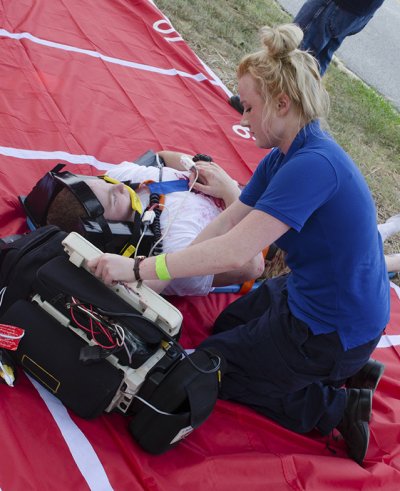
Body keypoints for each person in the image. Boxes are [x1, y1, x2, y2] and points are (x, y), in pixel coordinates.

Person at [87, 24, 390, 465]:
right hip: (318, 298)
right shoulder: (288, 156)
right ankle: (349, 369)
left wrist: (135, 271)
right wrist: (153, 280)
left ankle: (340, 406)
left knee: (215, 367)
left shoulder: (311, 167)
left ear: (282, 104)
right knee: (226, 329)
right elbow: (227, 224)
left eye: (248, 108)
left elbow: (233, 252)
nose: (242, 120)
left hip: (332, 326)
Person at [45, 150, 264, 296]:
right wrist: (232, 194)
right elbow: (253, 266)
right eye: (114, 199)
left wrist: (198, 168)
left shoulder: (120, 176)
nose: (120, 187)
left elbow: (162, 156)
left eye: (106, 183)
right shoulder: (174, 251)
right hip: (268, 239)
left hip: (256, 195)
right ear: (111, 230)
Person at [228, 1, 385, 113]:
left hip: (337, 5)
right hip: (360, 10)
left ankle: (258, 105)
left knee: (291, 50)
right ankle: (296, 114)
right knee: (315, 60)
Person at [294, 0, 385, 75]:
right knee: (319, 60)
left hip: (338, 6)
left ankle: (287, 93)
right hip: (361, 11)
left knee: (294, 50)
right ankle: (305, 95)